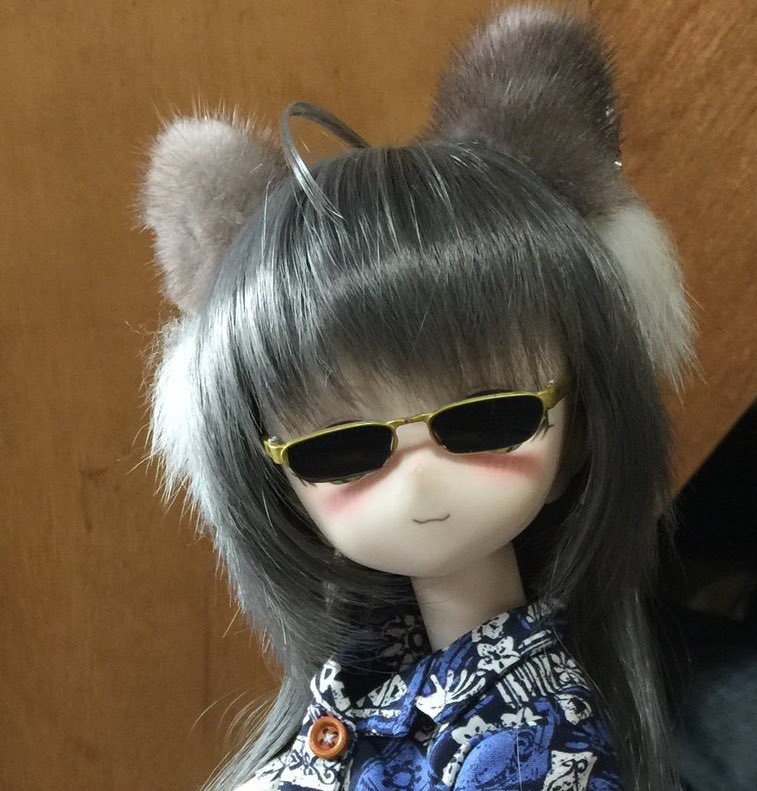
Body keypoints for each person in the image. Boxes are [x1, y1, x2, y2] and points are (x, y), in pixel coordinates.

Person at [141, 6, 692, 789]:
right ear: (274, 474)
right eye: (339, 446)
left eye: (489, 418)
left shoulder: (537, 743)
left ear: (577, 434)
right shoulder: (375, 657)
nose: (420, 476)